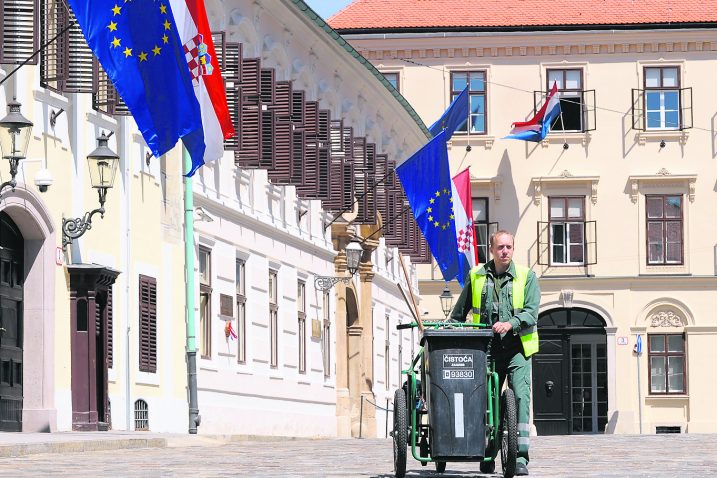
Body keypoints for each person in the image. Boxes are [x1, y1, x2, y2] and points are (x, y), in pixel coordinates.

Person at [449, 229, 540, 476]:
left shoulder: (526, 276)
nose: (505, 251)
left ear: (513, 248)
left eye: (509, 247)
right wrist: (448, 331)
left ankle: (520, 458)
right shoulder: (476, 276)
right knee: (484, 400)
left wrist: (511, 323)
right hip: (486, 349)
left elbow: (532, 312)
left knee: (520, 397)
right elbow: (459, 313)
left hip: (518, 347)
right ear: (491, 249)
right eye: (500, 247)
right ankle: (488, 451)